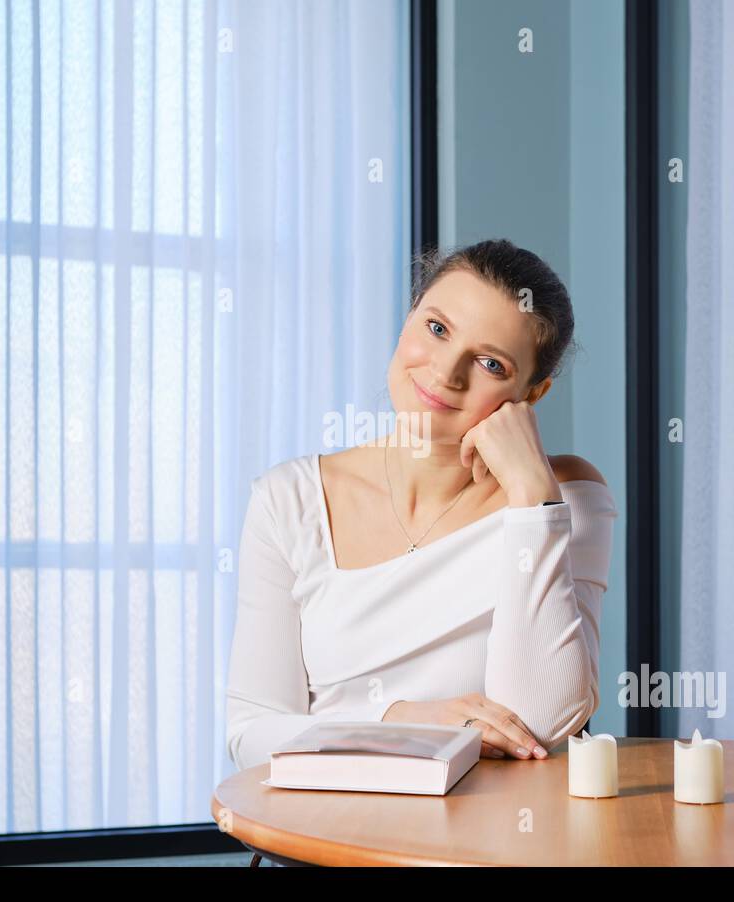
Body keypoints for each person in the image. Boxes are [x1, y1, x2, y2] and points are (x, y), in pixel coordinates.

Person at [225, 238, 617, 771]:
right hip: (325, 836)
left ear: (533, 394)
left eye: (490, 364)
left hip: (488, 845)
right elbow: (251, 734)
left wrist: (532, 499)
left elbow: (543, 724)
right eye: (436, 329)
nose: (446, 373)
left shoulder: (565, 497)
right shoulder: (288, 500)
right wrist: (403, 719)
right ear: (409, 318)